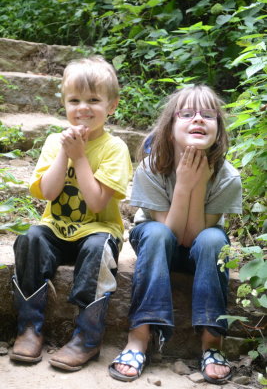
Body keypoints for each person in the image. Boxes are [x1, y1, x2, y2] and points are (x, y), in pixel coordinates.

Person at [109, 84, 242, 384]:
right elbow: (170, 235)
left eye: (208, 115)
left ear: (218, 131)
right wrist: (184, 184)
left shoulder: (227, 177)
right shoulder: (151, 168)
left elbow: (193, 238)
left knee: (213, 239)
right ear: (170, 130)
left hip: (199, 244)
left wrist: (199, 184)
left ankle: (211, 344)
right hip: (160, 240)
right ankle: (139, 337)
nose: (198, 119)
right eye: (187, 114)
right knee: (156, 233)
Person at [10, 56, 132, 371]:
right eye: (74, 100)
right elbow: (48, 193)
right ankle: (29, 328)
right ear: (64, 104)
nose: (83, 108)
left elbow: (95, 203)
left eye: (94, 100)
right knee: (30, 239)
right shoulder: (54, 142)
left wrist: (80, 158)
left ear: (112, 106)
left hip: (97, 228)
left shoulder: (114, 148)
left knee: (98, 248)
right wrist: (66, 151)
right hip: (56, 227)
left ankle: (86, 338)